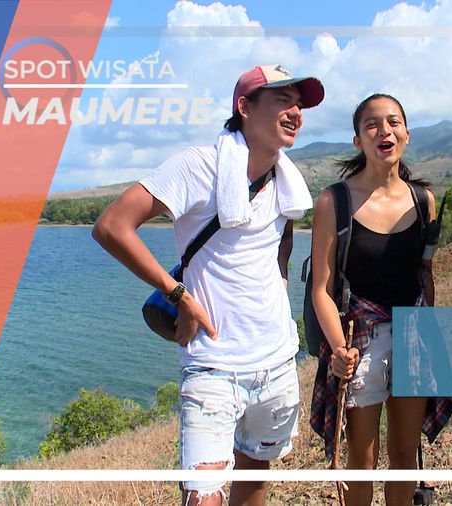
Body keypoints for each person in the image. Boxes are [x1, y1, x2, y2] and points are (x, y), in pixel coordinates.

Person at [92, 64, 324, 506]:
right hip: (214, 365)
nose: (295, 111)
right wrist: (180, 295)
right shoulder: (198, 166)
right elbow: (112, 226)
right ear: (244, 107)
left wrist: (274, 285)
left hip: (276, 359)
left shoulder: (286, 180)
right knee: (202, 496)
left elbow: (282, 239)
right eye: (281, 100)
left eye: (299, 103)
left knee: (255, 478)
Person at [308, 93, 452, 506]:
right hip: (360, 340)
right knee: (361, 458)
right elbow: (320, 287)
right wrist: (339, 348)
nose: (384, 131)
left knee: (405, 456)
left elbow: (424, 275)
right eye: (372, 124)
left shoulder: (422, 200)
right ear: (358, 139)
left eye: (393, 122)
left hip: (413, 335)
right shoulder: (333, 201)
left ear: (407, 133)